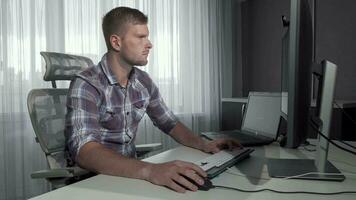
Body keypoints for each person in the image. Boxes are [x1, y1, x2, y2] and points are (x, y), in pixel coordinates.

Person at [65, 6, 241, 193]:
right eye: (140, 37)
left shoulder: (143, 81)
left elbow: (169, 123)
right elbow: (85, 152)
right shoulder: (86, 84)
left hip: (130, 176)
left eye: (147, 37)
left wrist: (204, 144)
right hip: (94, 181)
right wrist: (150, 170)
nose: (149, 44)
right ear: (116, 42)